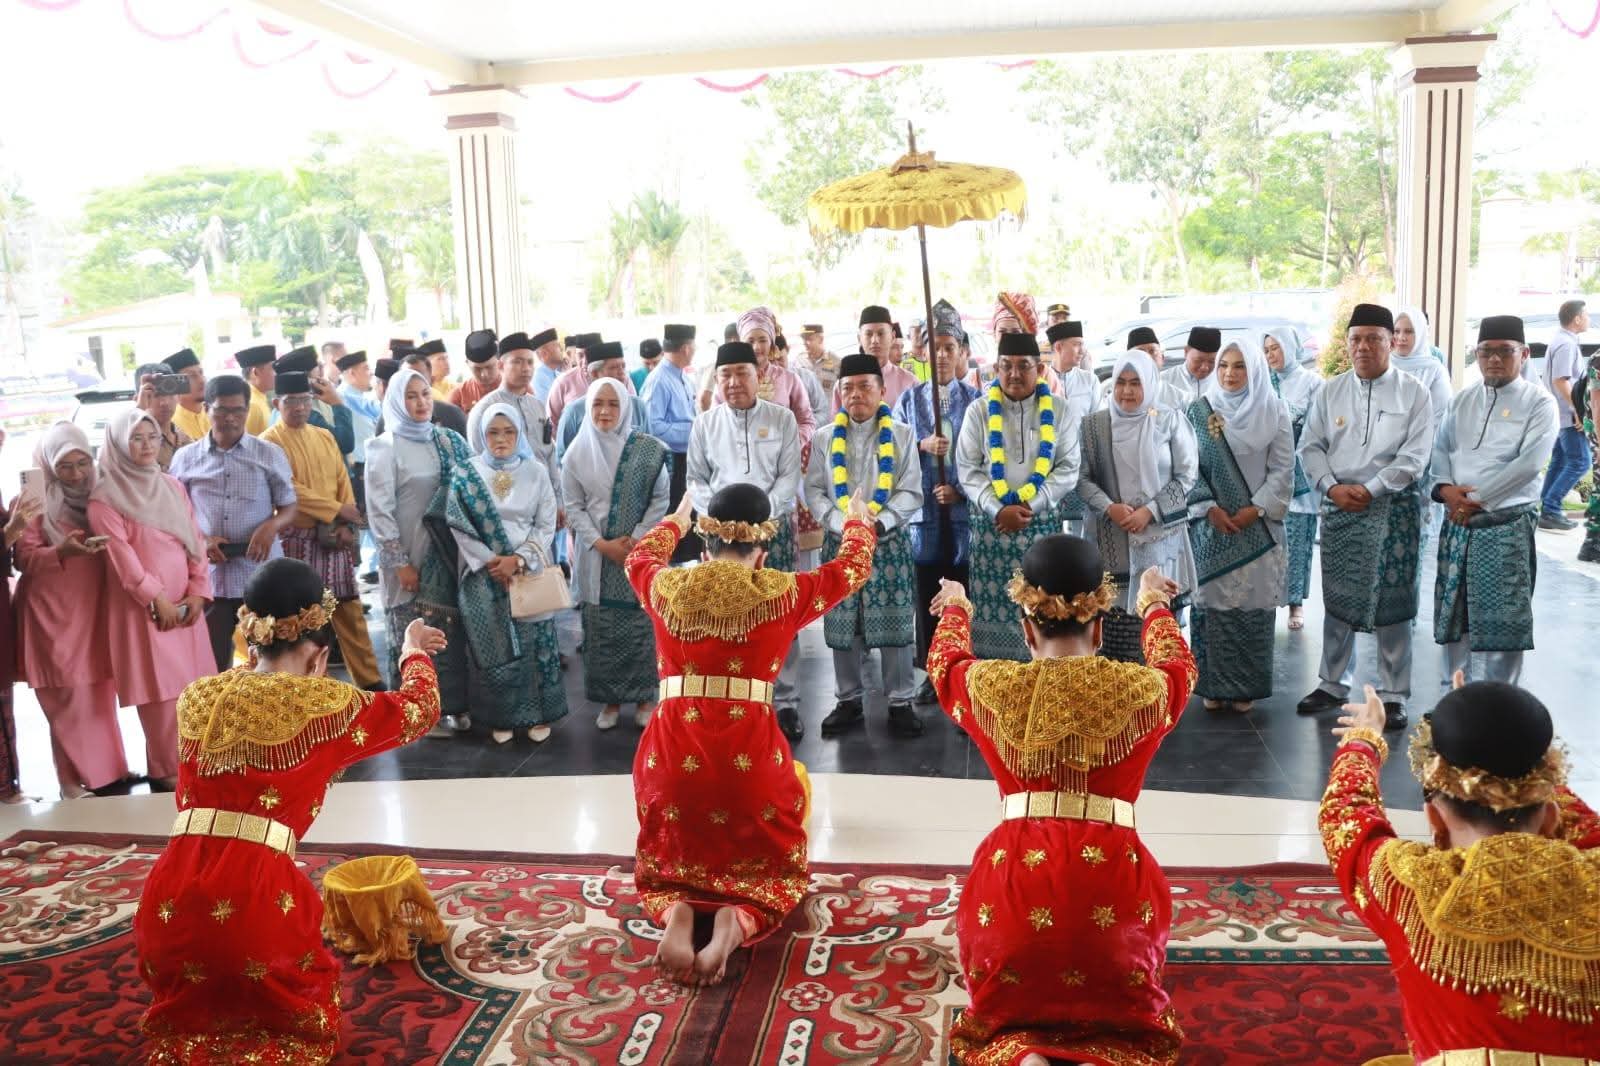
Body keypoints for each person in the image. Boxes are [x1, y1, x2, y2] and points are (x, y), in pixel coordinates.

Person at [133, 557, 445, 1064]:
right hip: (256, 906)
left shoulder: (196, 696)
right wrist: (412, 651)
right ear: (320, 657)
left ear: (251, 639)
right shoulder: (325, 706)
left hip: (165, 907)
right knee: (299, 1015)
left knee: (194, 1013)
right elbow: (418, 709)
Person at [928, 538, 1193, 1066]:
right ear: (1098, 629)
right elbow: (1177, 663)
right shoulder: (1144, 690)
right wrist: (1153, 605)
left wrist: (957, 605)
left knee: (1008, 1000)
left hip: (1011, 898)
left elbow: (946, 661)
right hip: (1114, 898)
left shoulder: (987, 686)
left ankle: (1025, 1049)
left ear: (1027, 630)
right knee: (1128, 1015)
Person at [627, 483, 877, 987]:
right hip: (749, 763)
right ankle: (737, 920)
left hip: (671, 761)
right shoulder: (782, 592)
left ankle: (676, 908)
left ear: (705, 547)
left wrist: (676, 517)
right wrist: (855, 519)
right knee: (772, 875)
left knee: (667, 856)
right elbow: (853, 566)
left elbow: (640, 555)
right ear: (761, 553)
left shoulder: (665, 587)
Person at [1320, 679, 1600, 1063]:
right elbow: (1587, 828)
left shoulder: (1406, 883)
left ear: (1434, 818)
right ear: (1551, 816)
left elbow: (1347, 815)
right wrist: (1504, 735)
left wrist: (1364, 740)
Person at [1296, 303, 1433, 731]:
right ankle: (1333, 683)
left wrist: (1372, 488)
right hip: (1339, 505)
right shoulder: (1330, 391)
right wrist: (1332, 487)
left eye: (1373, 338)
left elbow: (1415, 456)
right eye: (1356, 339)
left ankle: (1393, 694)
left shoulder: (1415, 392)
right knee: (1336, 599)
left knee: (1394, 603)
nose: (1363, 347)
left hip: (1393, 509)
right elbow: (1310, 447)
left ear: (1391, 342)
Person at [88, 408, 213, 792]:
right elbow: (121, 557)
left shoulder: (171, 486)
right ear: (118, 443)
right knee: (160, 696)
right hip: (144, 610)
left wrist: (198, 590)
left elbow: (195, 540)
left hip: (186, 607)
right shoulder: (104, 499)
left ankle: (197, 764)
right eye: (136, 438)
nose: (146, 446)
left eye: (153, 438)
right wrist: (154, 596)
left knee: (194, 689)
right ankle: (165, 771)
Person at [686, 342, 805, 739]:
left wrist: (761, 512)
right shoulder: (705, 423)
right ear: (717, 380)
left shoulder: (783, 418)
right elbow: (696, 480)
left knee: (780, 613)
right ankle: (735, 699)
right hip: (720, 538)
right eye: (726, 375)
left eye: (742, 373)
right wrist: (721, 515)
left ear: (759, 375)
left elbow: (790, 477)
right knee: (726, 614)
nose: (734, 382)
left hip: (771, 530)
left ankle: (785, 702)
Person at [1431, 316, 1559, 685]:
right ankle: (1458, 699)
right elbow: (1441, 450)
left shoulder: (1540, 403)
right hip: (1458, 521)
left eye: (1505, 351)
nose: (1494, 360)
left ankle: (1501, 703)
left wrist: (1477, 499)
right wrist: (1445, 490)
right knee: (1456, 617)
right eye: (1486, 351)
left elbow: (1529, 464)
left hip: (1504, 525)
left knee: (1503, 621)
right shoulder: (1463, 400)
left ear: (1524, 354)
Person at [805, 353, 925, 738]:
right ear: (839, 393)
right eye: (848, 388)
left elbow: (911, 491)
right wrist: (845, 523)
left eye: (864, 386)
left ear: (881, 390)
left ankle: (900, 701)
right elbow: (815, 491)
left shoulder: (903, 435)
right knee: (844, 624)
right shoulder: (825, 438)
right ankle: (848, 700)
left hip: (887, 543)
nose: (856, 395)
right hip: (841, 543)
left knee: (893, 623)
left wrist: (880, 520)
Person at [12, 422, 128, 799]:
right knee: (66, 696)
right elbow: (24, 557)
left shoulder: (102, 497)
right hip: (52, 615)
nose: (76, 474)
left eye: (82, 463)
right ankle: (70, 781)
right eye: (65, 466)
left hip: (94, 611)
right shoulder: (33, 500)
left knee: (97, 692)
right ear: (49, 466)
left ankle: (107, 774)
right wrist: (62, 550)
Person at [955, 331, 1083, 661]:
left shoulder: (1060, 410)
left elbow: (1069, 466)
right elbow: (967, 469)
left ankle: (1043, 681)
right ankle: (995, 688)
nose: (1014, 374)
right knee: (992, 609)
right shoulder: (979, 412)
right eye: (1006, 366)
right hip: (991, 531)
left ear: (1039, 369)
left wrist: (1032, 503)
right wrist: (997, 509)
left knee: (1043, 608)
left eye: (1023, 366)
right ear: (995, 369)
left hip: (1041, 530)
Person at [447, 401, 568, 743]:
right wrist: (491, 560)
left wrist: (519, 559)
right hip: (483, 574)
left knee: (534, 643)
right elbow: (459, 524)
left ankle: (537, 716)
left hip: (528, 570)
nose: (501, 439)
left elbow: (545, 525)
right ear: (482, 435)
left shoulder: (536, 472)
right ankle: (502, 716)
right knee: (495, 648)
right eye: (493, 432)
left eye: (509, 431)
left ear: (519, 433)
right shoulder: (465, 473)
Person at [1185, 339, 1294, 711]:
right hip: (1212, 528)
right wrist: (1209, 508)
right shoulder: (1199, 411)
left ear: (1255, 370)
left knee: (1251, 605)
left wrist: (1257, 509)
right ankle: (1212, 686)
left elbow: (1283, 471)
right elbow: (1188, 470)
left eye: (1240, 366)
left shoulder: (1275, 411)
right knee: (1211, 608)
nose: (1230, 374)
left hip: (1257, 530)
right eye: (1224, 366)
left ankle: (1244, 686)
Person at [365, 367, 475, 734]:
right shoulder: (385, 446)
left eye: (425, 394)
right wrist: (399, 563)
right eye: (411, 396)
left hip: (449, 553)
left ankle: (453, 704)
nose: (421, 403)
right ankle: (410, 712)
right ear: (397, 400)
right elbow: (379, 511)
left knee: (448, 631)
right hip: (408, 556)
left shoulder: (447, 440)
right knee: (411, 630)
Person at [261, 372, 382, 691]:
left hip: (335, 536)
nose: (300, 407)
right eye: (292, 402)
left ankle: (370, 683)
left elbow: (342, 478)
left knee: (349, 610)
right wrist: (336, 510)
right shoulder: (269, 441)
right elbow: (288, 488)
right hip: (298, 540)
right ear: (277, 403)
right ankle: (304, 684)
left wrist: (345, 521)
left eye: (305, 400)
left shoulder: (324, 435)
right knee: (301, 618)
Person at [169, 376, 299, 673]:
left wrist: (270, 527)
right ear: (206, 409)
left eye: (238, 410)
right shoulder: (186, 459)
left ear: (247, 409)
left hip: (260, 570)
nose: (230, 418)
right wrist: (200, 540)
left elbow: (290, 506)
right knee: (212, 660)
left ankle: (267, 716)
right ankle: (220, 716)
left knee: (270, 655)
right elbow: (175, 512)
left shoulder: (268, 453)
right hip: (210, 574)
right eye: (221, 410)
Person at [1078, 351, 1200, 663]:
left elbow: (1187, 476)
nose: (1127, 391)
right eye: (1120, 382)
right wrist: (1109, 507)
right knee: (1113, 625)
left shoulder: (1170, 420)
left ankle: (1157, 698)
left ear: (1150, 384)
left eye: (1136, 383)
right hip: (1110, 535)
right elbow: (1081, 478)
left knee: (1155, 621)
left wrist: (1151, 510)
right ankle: (1117, 698)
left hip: (1157, 538)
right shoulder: (1093, 426)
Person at [563, 379, 669, 730]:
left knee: (641, 626)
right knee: (602, 630)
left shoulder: (649, 450)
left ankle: (644, 698)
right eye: (597, 404)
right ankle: (609, 702)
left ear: (625, 408)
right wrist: (602, 543)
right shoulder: (576, 453)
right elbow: (573, 507)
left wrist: (636, 538)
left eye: (612, 404)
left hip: (638, 553)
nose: (605, 411)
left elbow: (660, 498)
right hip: (597, 556)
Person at [892, 299, 982, 701]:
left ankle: (964, 665)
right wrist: (920, 443)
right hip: (924, 514)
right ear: (922, 352)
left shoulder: (976, 400)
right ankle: (933, 670)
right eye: (935, 348)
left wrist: (959, 488)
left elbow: (984, 455)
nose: (942, 355)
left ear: (962, 350)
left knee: (963, 584)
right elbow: (890, 451)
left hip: (963, 512)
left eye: (950, 347)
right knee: (928, 587)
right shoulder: (910, 402)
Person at [1264, 326, 1324, 632]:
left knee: (1297, 543)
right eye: (1267, 350)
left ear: (1290, 346)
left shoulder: (1312, 383)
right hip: (1267, 474)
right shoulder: (1263, 381)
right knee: (1270, 544)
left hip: (1299, 475)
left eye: (1276, 348)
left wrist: (1290, 459)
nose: (1272, 355)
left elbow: (1315, 429)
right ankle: (1268, 603)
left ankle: (1296, 603)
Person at [464, 331, 562, 502]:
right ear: (501, 366)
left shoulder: (537, 406)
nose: (526, 368)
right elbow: (480, 462)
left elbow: (549, 453)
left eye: (530, 362)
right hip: (509, 502)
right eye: (517, 362)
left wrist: (558, 499)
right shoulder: (484, 410)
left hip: (545, 498)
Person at [642, 323, 702, 565]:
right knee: (674, 525)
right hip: (670, 465)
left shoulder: (683, 378)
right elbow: (652, 427)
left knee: (691, 526)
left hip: (687, 461)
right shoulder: (659, 380)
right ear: (686, 348)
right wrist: (693, 430)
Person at [1046, 320, 1102, 534]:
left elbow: (1096, 423)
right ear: (1059, 347)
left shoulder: (1089, 381)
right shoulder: (1041, 381)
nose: (1082, 351)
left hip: (1082, 467)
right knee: (1052, 531)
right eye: (1076, 344)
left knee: (1081, 532)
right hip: (1049, 470)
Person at [1539, 298, 1591, 530]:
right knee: (1581, 461)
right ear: (1577, 318)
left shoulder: (1562, 340)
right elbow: (1560, 380)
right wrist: (1578, 410)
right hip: (1568, 415)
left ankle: (1546, 510)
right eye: (1586, 315)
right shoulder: (1566, 344)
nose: (1588, 319)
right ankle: (1550, 508)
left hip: (1561, 413)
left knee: (1560, 461)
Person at [555, 341, 652, 462]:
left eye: (623, 366)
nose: (622, 373)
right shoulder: (575, 411)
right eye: (614, 367)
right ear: (595, 373)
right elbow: (562, 458)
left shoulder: (638, 406)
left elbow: (650, 452)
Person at [831, 306, 918, 412]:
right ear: (859, 338)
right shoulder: (845, 384)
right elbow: (836, 424)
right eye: (868, 334)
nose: (875, 340)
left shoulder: (909, 383)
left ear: (893, 337)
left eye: (881, 334)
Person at [546, 334, 636, 427]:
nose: (584, 361)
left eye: (589, 356)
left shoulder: (621, 379)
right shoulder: (563, 382)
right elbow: (552, 421)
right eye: (580, 355)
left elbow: (634, 413)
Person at [133, 361, 194, 471]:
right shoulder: (133, 442)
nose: (164, 402)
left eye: (170, 393)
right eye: (155, 395)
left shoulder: (186, 440)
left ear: (178, 396)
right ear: (138, 399)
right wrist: (139, 408)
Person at [398, 348, 470, 437]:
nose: (415, 382)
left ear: (431, 379)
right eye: (408, 377)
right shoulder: (389, 420)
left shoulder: (451, 414)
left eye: (420, 377)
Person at [1158, 326, 1220, 406]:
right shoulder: (1163, 380)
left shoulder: (1221, 382)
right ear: (1186, 352)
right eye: (1198, 361)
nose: (1205, 367)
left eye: (1212, 362)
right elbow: (1152, 412)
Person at [446, 329, 502, 414]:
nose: (484, 374)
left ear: (500, 361)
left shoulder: (518, 390)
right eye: (477, 369)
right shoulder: (458, 396)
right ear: (467, 363)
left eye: (489, 367)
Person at [165, 348, 210, 442]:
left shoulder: (214, 416)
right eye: (192, 376)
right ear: (175, 385)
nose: (201, 380)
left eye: (201, 372)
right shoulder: (172, 424)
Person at [235, 344, 277, 435]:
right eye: (272, 369)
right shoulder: (253, 405)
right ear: (255, 372)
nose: (276, 374)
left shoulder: (258, 397)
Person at [799, 323, 840, 393]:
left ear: (821, 339)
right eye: (803, 339)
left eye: (809, 339)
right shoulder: (798, 361)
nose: (804, 343)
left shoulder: (837, 362)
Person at [533, 329, 569, 401]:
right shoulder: (539, 378)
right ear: (544, 354)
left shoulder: (558, 373)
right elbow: (551, 408)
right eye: (557, 346)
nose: (562, 349)